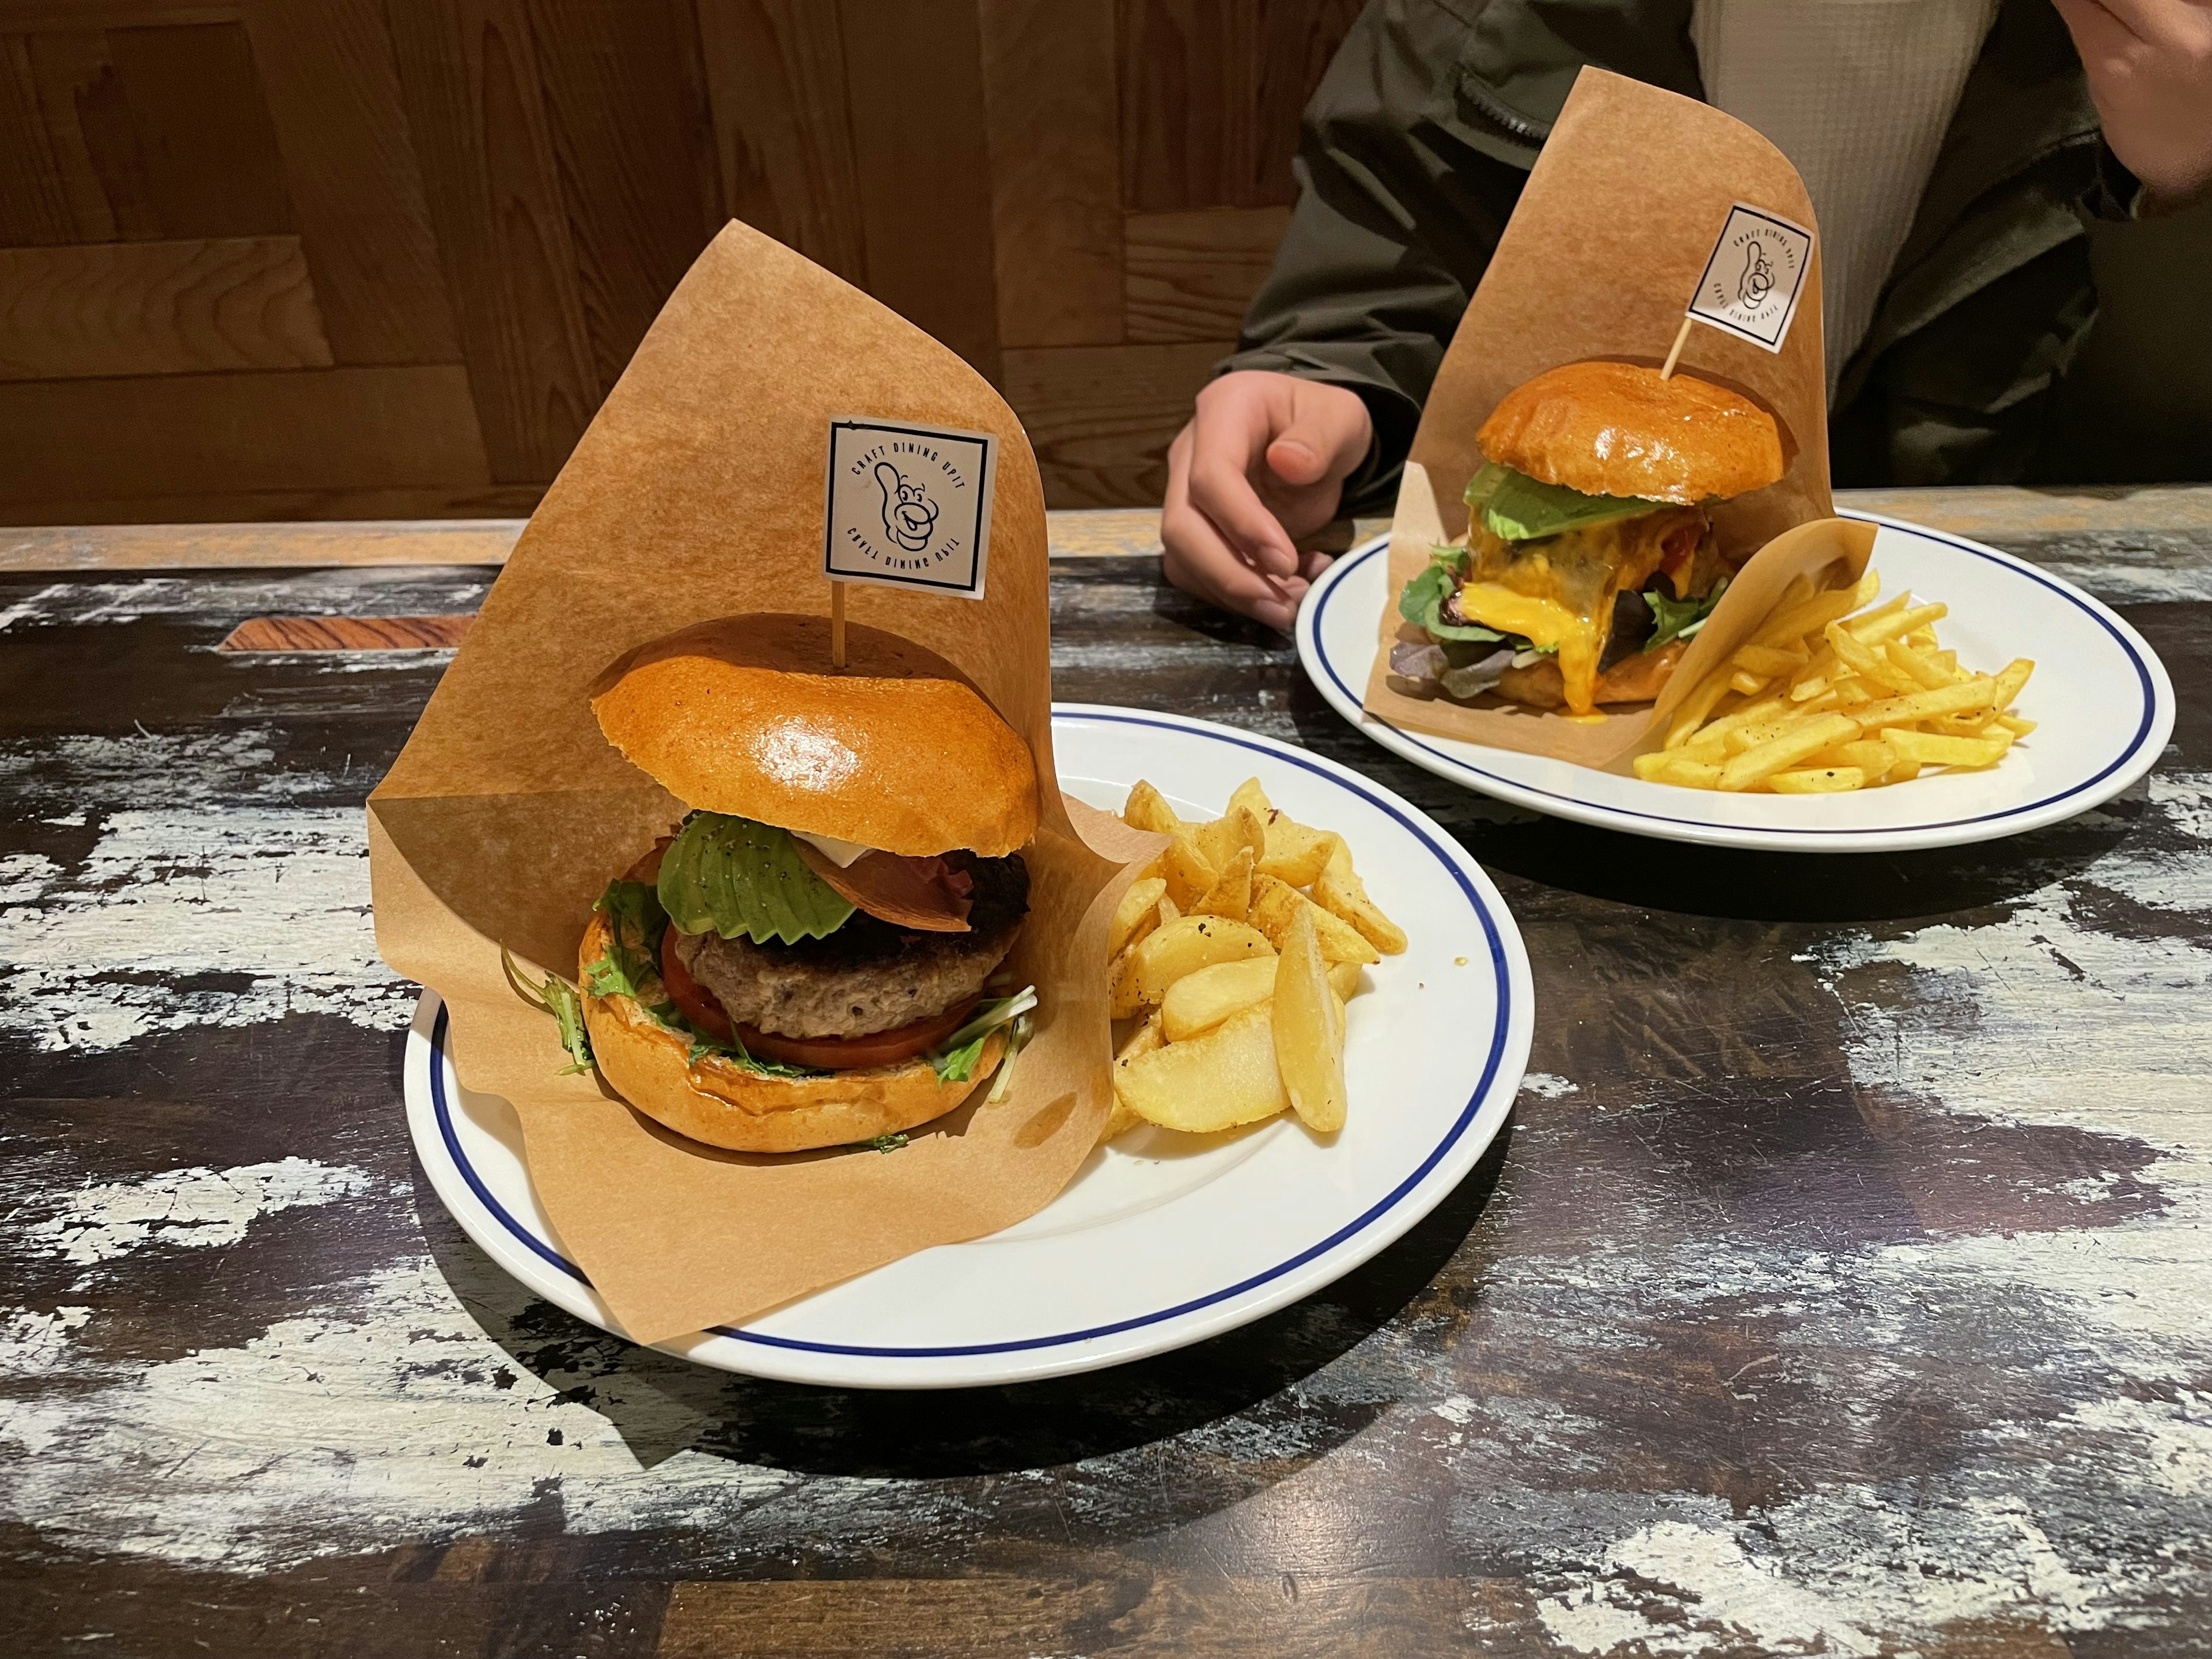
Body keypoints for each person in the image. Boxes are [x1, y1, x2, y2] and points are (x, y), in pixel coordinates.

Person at [1161, 0, 2212, 632]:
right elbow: (1383, 257)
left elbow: (2157, 502)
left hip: (2003, 666)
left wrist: (2183, 195)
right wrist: (1321, 389)